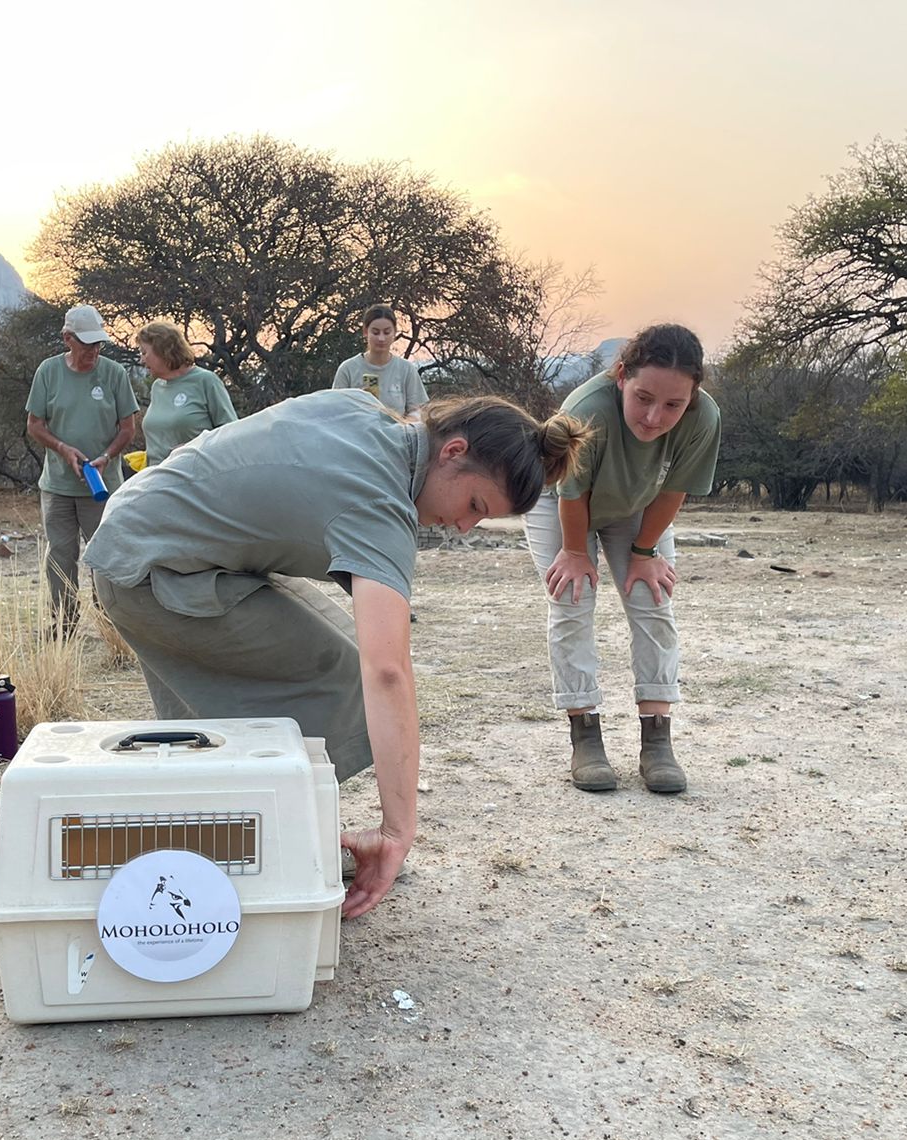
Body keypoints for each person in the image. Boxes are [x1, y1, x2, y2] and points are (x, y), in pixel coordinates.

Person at [86, 391, 588, 919]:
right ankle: (252, 839)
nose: (464, 527)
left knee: (329, 664)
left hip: (155, 535)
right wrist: (400, 830)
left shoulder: (362, 411)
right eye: (474, 507)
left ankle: (243, 833)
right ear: (452, 451)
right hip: (147, 568)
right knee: (343, 680)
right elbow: (388, 671)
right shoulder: (379, 503)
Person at [525, 324, 723, 794]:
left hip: (636, 502)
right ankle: (585, 735)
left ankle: (657, 741)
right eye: (643, 397)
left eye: (674, 404)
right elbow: (572, 491)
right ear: (620, 376)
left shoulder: (705, 419)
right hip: (560, 500)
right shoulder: (586, 410)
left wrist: (643, 551)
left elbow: (677, 486)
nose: (655, 417)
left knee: (652, 601)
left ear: (693, 395)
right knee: (573, 599)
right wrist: (575, 552)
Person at [25, 304, 138, 631]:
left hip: (101, 487)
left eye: (98, 343)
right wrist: (61, 448)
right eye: (86, 343)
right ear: (67, 339)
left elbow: (128, 428)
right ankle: (63, 623)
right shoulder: (48, 371)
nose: (93, 350)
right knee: (59, 556)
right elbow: (34, 424)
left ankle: (111, 622)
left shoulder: (114, 373)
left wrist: (106, 456)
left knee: (104, 557)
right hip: (58, 486)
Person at [135, 321, 238, 466]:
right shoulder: (157, 387)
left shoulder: (206, 381)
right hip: (156, 478)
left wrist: (197, 448)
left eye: (144, 353)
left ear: (163, 350)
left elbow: (231, 433)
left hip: (195, 477)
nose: (141, 360)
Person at [332, 304, 428, 416]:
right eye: (375, 332)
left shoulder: (407, 369)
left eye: (387, 332)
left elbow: (419, 412)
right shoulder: (348, 369)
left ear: (394, 332)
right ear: (365, 332)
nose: (381, 338)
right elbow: (336, 411)